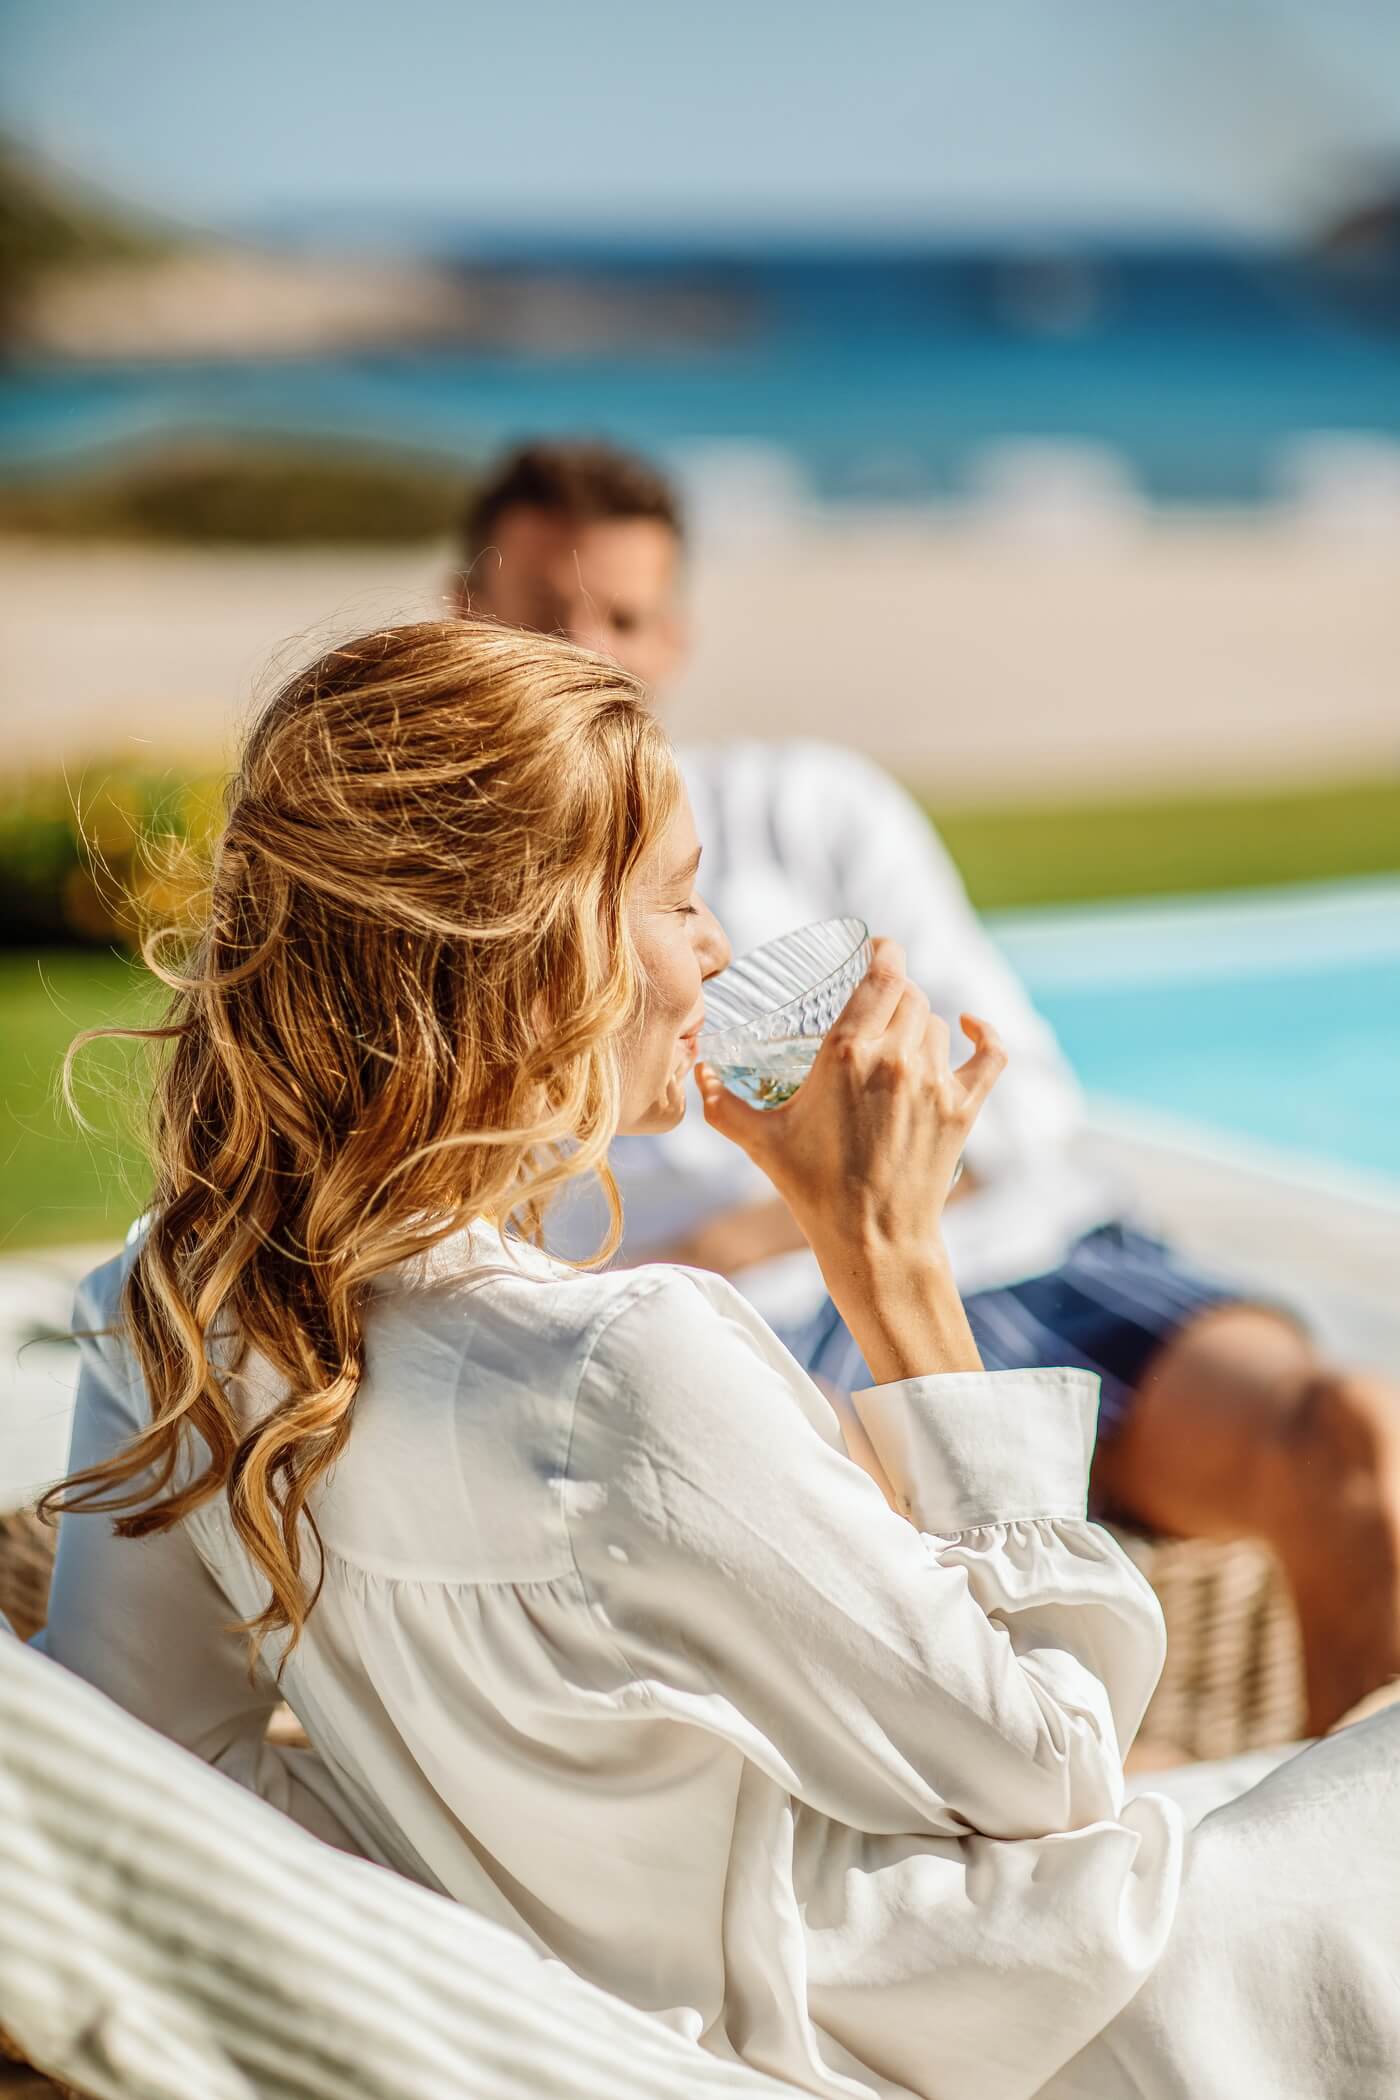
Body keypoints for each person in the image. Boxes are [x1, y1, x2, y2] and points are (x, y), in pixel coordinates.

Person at [36, 619, 1400, 2100]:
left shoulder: (177, 1311)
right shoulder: (626, 1367)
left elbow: (160, 1771)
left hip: (854, 1983)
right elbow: (1056, 1768)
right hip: (1072, 2015)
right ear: (542, 950)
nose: (720, 954)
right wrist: (894, 1263)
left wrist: (514, 1888)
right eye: (681, 902)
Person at [455, 438, 1400, 1737]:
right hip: (765, 1333)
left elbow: (1007, 1103)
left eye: (620, 617)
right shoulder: (442, 902)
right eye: (544, 610)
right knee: (875, 1595)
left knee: (1357, 1438)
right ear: (467, 613)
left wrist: (794, 1206)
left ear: (673, 638)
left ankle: (1345, 1873)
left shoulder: (803, 805)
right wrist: (805, 1215)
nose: (584, 651)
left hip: (1028, 1263)